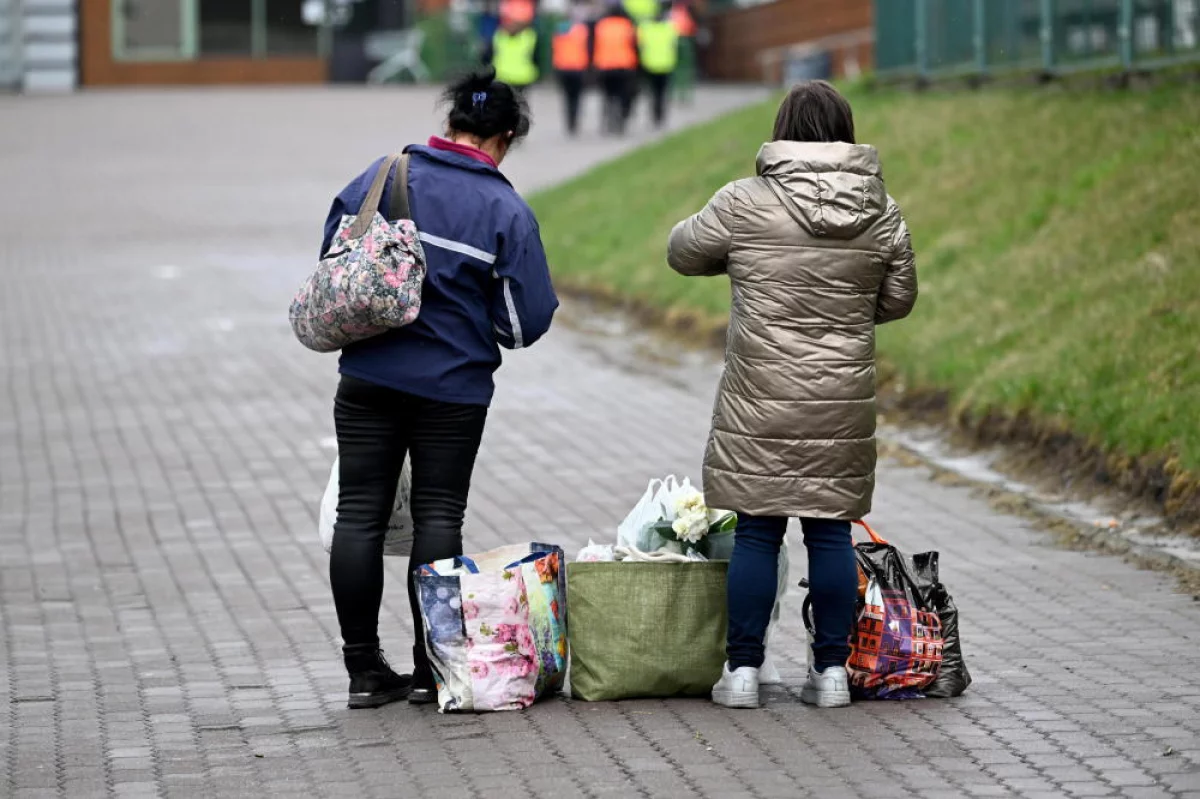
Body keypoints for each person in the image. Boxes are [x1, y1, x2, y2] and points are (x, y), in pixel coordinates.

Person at [665, 81, 918, 710]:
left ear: (781, 129)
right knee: (831, 534)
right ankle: (832, 674)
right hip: (841, 397)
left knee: (757, 534)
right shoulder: (881, 209)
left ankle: (743, 673)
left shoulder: (745, 202)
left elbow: (683, 253)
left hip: (761, 395)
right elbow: (899, 298)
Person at [320, 69, 558, 709]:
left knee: (359, 515)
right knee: (437, 515)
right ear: (504, 138)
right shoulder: (505, 208)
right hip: (452, 390)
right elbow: (524, 322)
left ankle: (363, 672)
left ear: (450, 122)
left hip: (367, 375)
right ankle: (433, 670)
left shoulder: (382, 174)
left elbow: (334, 260)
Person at [592, 0, 639, 134]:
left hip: (605, 66)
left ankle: (607, 117)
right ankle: (621, 118)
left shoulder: (601, 25)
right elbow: (635, 46)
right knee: (624, 94)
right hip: (624, 66)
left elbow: (594, 45)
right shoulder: (627, 25)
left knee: (608, 95)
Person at [636, 3, 679, 129]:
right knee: (662, 93)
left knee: (653, 93)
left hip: (650, 66)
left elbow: (640, 46)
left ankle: (655, 114)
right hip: (666, 65)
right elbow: (674, 45)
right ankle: (660, 115)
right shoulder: (670, 28)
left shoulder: (645, 28)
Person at [552, 9, 591, 136]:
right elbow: (587, 48)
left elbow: (554, 49)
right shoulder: (582, 30)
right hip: (578, 68)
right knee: (577, 97)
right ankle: (574, 120)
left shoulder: (559, 31)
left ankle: (570, 120)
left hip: (563, 68)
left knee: (567, 97)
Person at [487, 18, 541, 94]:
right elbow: (536, 57)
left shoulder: (499, 36)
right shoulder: (530, 37)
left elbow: (488, 55)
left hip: (502, 75)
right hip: (523, 77)